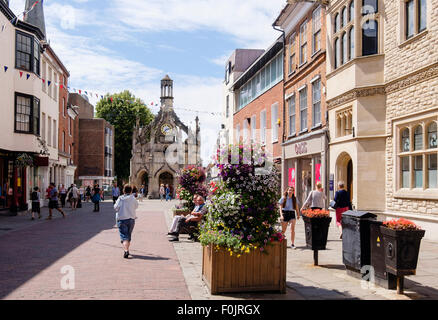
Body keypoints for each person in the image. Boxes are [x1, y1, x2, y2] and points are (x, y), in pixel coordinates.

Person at [114, 185, 138, 259]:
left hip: (122, 219)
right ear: (131, 191)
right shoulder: (133, 198)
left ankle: (126, 250)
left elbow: (115, 207)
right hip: (131, 219)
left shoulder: (121, 198)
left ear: (123, 190)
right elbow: (136, 206)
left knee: (124, 237)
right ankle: (127, 248)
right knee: (128, 235)